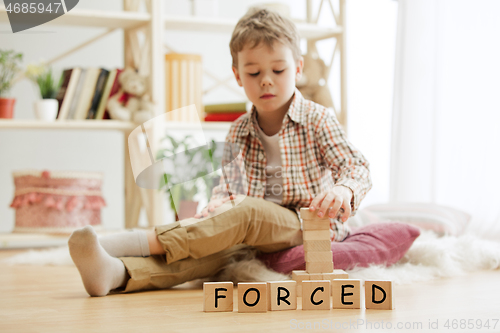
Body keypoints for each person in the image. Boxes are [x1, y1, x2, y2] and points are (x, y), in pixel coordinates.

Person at [68, 8, 372, 297]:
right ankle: (116, 273)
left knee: (246, 211)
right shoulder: (239, 130)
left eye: (278, 70)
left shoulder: (318, 119)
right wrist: (212, 213)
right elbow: (228, 189)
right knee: (205, 253)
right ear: (238, 76)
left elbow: (356, 166)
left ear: (299, 68)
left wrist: (344, 189)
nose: (266, 80)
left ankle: (121, 243)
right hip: (252, 233)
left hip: (304, 224)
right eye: (253, 73)